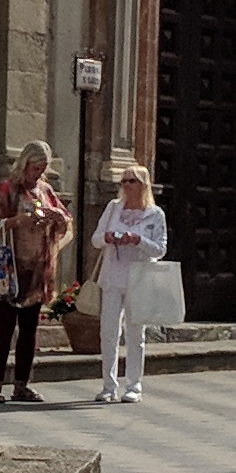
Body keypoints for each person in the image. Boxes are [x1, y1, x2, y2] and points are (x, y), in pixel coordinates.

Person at [0, 146, 70, 406]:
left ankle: (22, 384)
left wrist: (57, 217)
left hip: (37, 269)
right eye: (35, 168)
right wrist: (17, 220)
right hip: (11, 268)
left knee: (30, 330)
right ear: (25, 164)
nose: (38, 174)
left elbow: (65, 222)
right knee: (5, 327)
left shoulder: (45, 190)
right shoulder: (8, 188)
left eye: (42, 169)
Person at [88, 162, 170, 400]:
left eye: (131, 181)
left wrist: (137, 240)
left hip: (139, 279)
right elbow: (95, 239)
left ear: (143, 184)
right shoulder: (114, 207)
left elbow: (160, 249)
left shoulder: (155, 214)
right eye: (123, 181)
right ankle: (108, 386)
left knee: (136, 334)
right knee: (109, 332)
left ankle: (134, 386)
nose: (126, 185)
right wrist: (108, 237)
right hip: (113, 277)